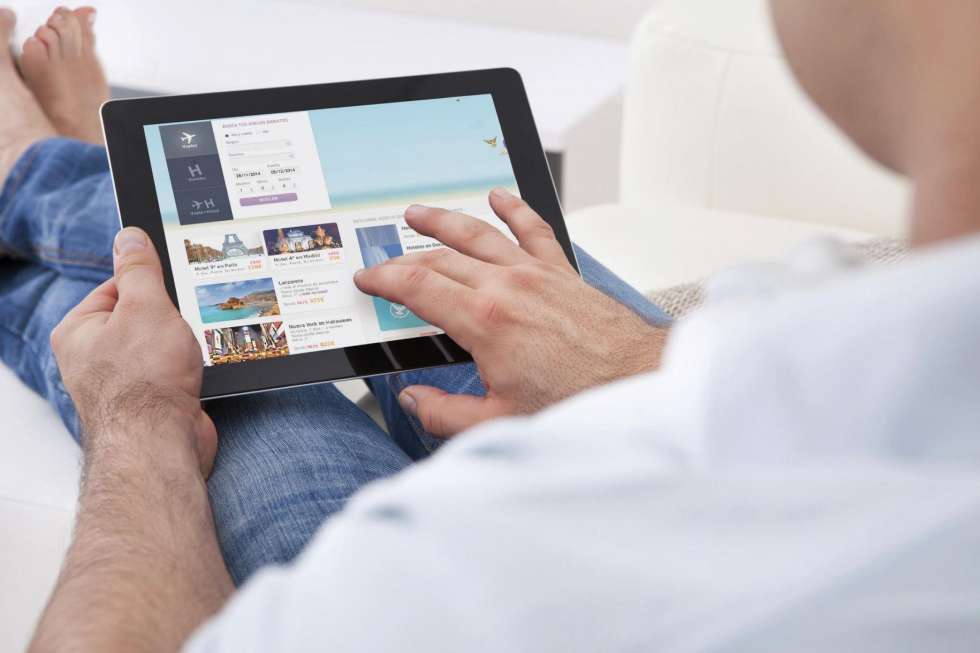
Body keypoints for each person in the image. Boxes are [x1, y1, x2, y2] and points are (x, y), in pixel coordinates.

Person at [2, 1, 978, 651]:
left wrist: (138, 418)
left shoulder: (465, 579)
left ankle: (30, 176)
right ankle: (57, 171)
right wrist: (631, 360)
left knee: (241, 376)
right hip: (706, 432)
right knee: (483, 260)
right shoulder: (885, 342)